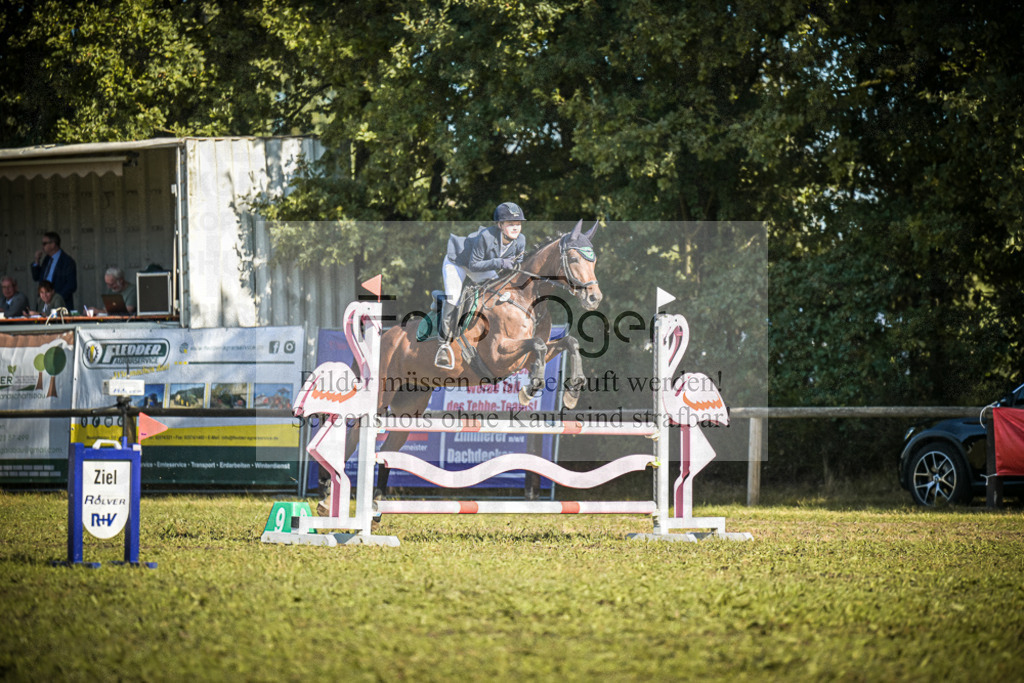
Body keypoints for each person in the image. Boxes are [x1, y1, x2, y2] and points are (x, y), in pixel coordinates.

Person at [435, 201, 527, 369]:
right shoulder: (486, 236)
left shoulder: (520, 240)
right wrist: (500, 262)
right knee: (454, 297)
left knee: (497, 290)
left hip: (483, 265)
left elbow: (515, 269)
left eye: (518, 224)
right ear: (500, 225)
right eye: (510, 224)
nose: (516, 227)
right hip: (458, 262)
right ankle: (443, 345)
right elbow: (474, 265)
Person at [31, 232, 77, 310]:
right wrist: (36, 261)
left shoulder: (67, 261)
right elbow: (36, 277)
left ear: (53, 244)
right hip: (44, 304)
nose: (42, 247)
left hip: (60, 305)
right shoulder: (47, 259)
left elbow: (71, 285)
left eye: (44, 243)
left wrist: (55, 299)